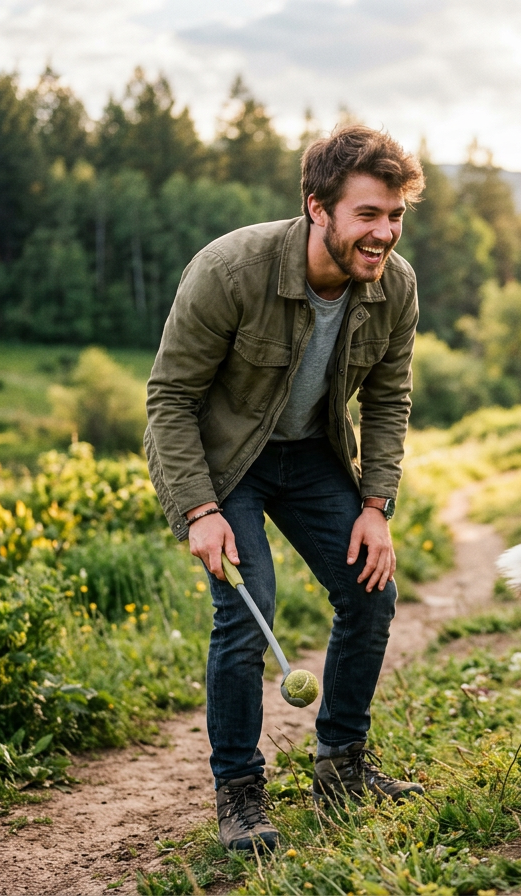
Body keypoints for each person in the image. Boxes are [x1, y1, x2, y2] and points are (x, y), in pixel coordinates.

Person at [144, 125, 426, 852]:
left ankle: (342, 765)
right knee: (248, 611)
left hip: (313, 457)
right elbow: (170, 398)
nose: (385, 234)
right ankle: (238, 793)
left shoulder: (395, 288)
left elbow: (389, 399)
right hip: (226, 463)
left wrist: (375, 507)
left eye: (395, 216)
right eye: (368, 215)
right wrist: (199, 511)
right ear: (317, 208)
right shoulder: (230, 270)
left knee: (371, 590)